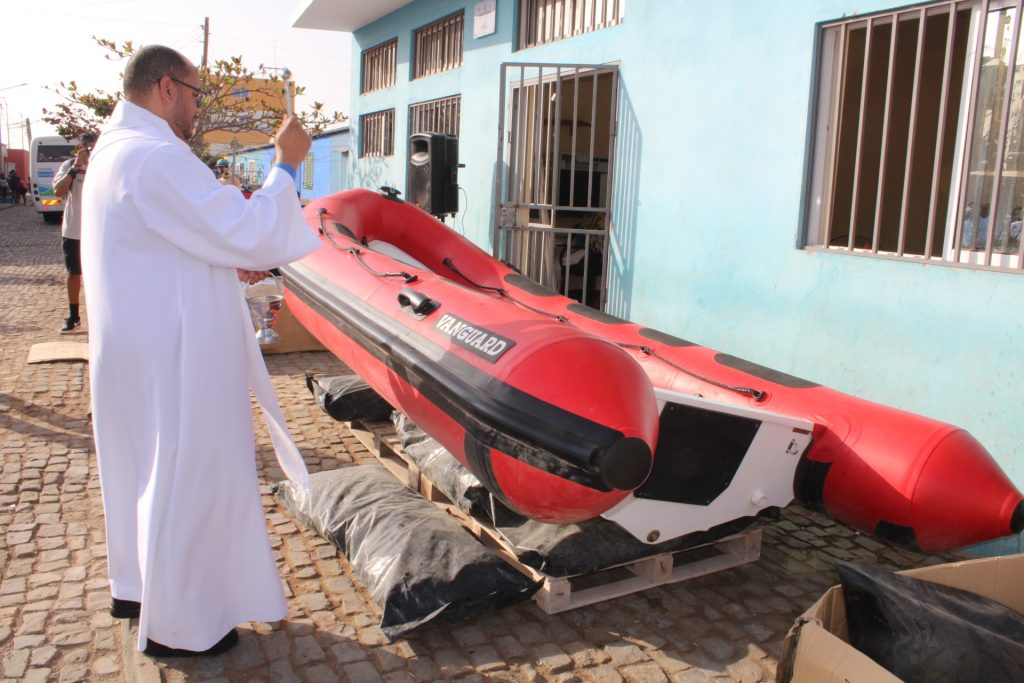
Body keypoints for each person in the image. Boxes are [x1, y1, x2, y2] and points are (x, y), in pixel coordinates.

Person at [80, 45, 320, 658]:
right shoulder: (155, 156)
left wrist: (224, 260)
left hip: (133, 344)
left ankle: (137, 588)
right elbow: (250, 231)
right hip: (176, 355)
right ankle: (184, 626)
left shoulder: (114, 150)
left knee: (140, 468)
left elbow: (172, 240)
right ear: (166, 88)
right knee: (188, 476)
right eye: (194, 94)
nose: (196, 108)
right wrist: (286, 165)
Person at [52, 132, 98, 333]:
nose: (90, 151)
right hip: (74, 229)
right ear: (81, 148)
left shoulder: (101, 166)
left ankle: (99, 317)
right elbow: (58, 191)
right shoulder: (69, 165)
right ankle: (74, 316)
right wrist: (76, 166)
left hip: (97, 230)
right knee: (74, 274)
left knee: (98, 275)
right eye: (88, 147)